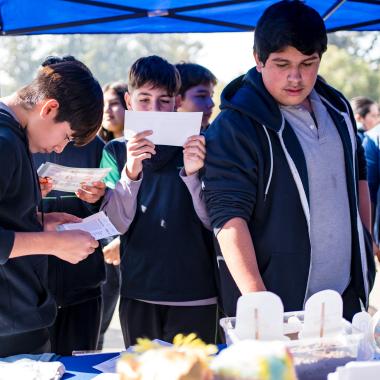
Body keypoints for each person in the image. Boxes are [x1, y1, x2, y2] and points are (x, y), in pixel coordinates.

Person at [202, 0, 375, 322]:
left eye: (308, 63)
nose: (296, 77)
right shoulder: (234, 127)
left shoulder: (338, 107)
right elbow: (227, 217)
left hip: (345, 300)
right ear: (258, 59)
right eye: (282, 64)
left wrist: (364, 240)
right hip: (276, 307)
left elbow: (359, 175)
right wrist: (259, 304)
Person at [101, 55, 217, 347]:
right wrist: (131, 171)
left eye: (164, 100)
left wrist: (193, 175)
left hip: (197, 293)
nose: (154, 109)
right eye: (144, 99)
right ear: (129, 101)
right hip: (138, 292)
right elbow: (114, 223)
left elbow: (215, 221)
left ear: (177, 102)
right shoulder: (115, 150)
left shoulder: (202, 144)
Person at [0, 55, 103, 356]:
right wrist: (52, 243)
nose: (59, 149)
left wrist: (38, 220)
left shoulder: (13, 137)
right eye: (66, 137)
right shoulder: (4, 142)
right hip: (10, 327)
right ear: (49, 108)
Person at [97, 82, 128, 350]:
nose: (108, 110)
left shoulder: (130, 148)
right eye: (104, 104)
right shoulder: (98, 145)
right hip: (103, 243)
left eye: (114, 103)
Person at [175, 63, 217, 131]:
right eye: (202, 96)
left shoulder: (218, 137)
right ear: (176, 100)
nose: (211, 104)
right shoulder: (156, 138)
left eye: (211, 96)